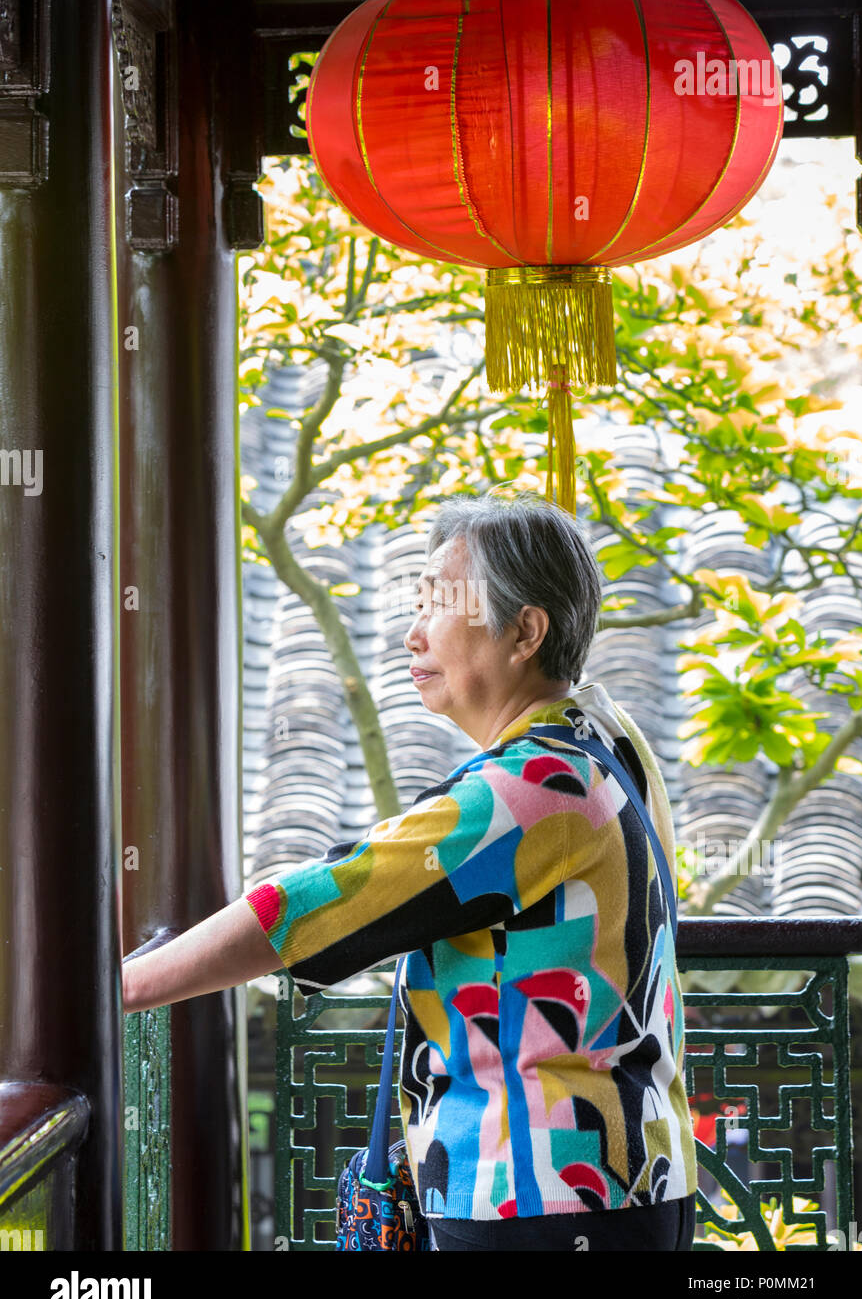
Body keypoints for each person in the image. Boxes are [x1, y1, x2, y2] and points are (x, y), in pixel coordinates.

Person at [123, 489, 698, 1251]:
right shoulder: (607, 742)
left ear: (525, 631)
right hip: (627, 1182)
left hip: (542, 1197)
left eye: (435, 604)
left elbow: (328, 899)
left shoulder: (537, 788)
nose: (410, 634)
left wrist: (120, 987)